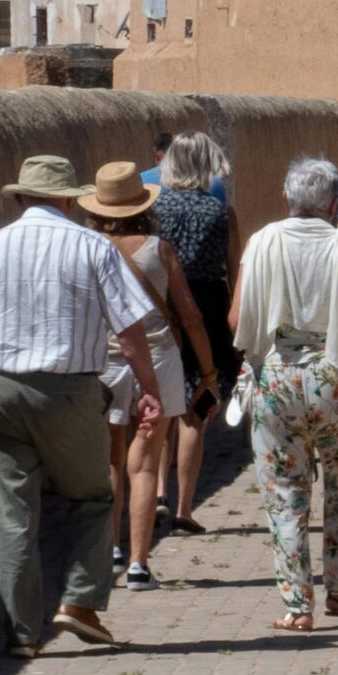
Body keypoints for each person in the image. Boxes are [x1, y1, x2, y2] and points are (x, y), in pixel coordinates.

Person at [0, 155, 163, 657]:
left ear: (19, 198)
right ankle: (78, 603)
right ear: (67, 199)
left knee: (14, 514)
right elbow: (129, 331)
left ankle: (22, 633)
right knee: (93, 496)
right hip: (67, 391)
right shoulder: (92, 247)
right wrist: (150, 390)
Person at [233, 158, 338, 629]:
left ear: (285, 198)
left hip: (278, 380)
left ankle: (296, 604)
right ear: (334, 204)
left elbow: (236, 321)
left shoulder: (262, 242)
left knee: (284, 493)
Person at [85, 162, 219, 592]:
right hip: (158, 358)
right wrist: (209, 372)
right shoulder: (160, 249)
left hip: (103, 361)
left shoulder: (88, 247)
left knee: (110, 457)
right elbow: (192, 317)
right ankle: (141, 564)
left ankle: (111, 550)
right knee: (144, 463)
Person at [154, 132, 241, 536]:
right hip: (206, 306)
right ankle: (185, 508)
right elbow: (234, 269)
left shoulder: (154, 209)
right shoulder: (222, 212)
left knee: (158, 406)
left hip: (163, 306)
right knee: (195, 410)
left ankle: (155, 492)